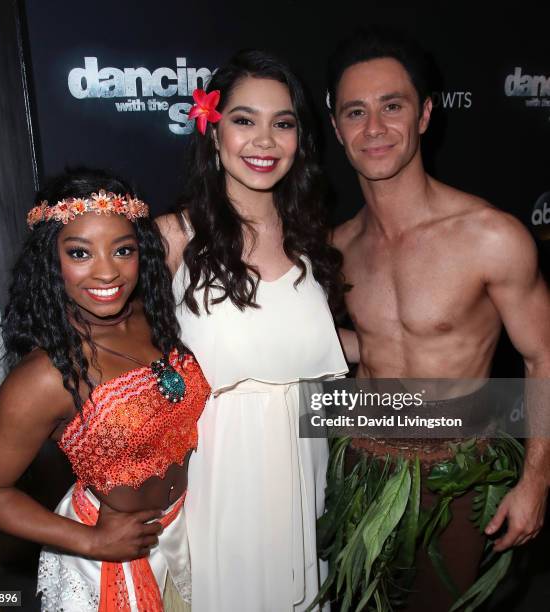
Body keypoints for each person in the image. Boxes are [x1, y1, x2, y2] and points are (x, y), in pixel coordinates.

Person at [324, 27, 550, 611]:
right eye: (356, 111)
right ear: (336, 127)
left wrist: (536, 480)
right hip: (362, 469)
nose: (374, 129)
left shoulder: (490, 236)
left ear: (424, 115)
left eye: (391, 106)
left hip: (458, 474)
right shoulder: (335, 247)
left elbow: (542, 355)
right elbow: (353, 346)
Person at [0, 170, 210, 611]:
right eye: (80, 253)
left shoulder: (154, 316)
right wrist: (91, 542)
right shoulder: (47, 375)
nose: (107, 271)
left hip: (187, 528)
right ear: (51, 261)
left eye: (123, 250)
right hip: (112, 554)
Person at [156, 50, 348, 611]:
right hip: (222, 467)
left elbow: (311, 348)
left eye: (282, 123)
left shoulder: (314, 239)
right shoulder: (173, 237)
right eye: (244, 120)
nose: (264, 140)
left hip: (307, 457)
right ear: (212, 132)